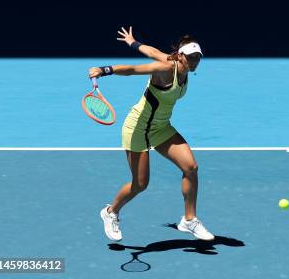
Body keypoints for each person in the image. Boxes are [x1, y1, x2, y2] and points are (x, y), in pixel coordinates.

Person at [92, 26, 214, 242]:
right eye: (191, 57)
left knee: (191, 168)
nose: (194, 62)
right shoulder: (165, 68)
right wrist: (105, 70)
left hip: (161, 127)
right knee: (140, 184)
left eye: (198, 58)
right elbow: (133, 69)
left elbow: (149, 50)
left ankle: (189, 220)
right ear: (180, 56)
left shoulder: (180, 67)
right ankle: (110, 212)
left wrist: (132, 41)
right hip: (137, 128)